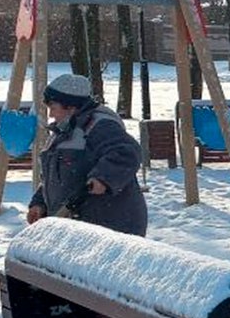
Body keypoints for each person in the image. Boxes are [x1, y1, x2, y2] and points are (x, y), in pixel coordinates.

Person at [27, 72, 147, 236]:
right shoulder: (61, 133)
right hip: (78, 227)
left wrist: (103, 178)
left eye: (53, 108)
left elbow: (127, 152)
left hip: (111, 227)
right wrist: (40, 204)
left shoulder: (100, 125)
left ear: (71, 107)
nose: (51, 115)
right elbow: (54, 179)